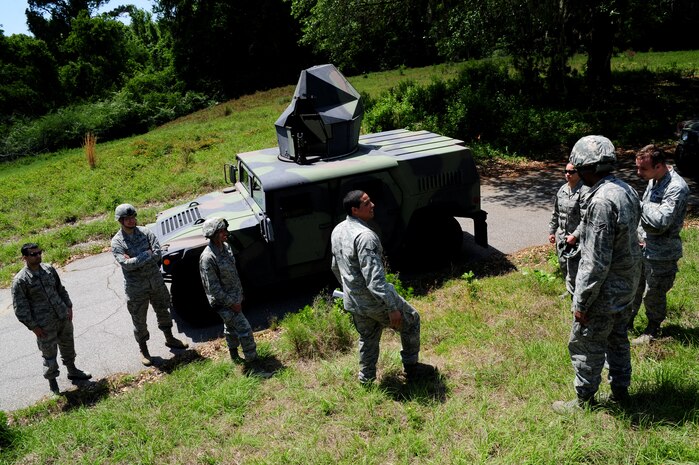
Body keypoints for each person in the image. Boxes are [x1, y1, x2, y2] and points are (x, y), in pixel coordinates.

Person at [552, 136, 642, 413]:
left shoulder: (600, 201)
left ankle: (583, 401)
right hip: (627, 286)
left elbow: (595, 261)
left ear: (588, 168)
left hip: (605, 292)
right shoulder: (625, 189)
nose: (577, 173)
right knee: (618, 339)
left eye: (578, 168)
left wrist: (581, 302)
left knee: (585, 344)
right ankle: (620, 391)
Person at [330, 190, 426, 384]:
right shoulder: (365, 237)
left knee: (368, 336)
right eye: (367, 203)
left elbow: (335, 266)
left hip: (354, 301)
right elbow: (375, 279)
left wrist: (349, 289)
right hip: (375, 301)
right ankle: (412, 369)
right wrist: (392, 307)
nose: (373, 205)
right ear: (355, 210)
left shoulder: (338, 230)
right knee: (412, 321)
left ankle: (366, 379)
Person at [111, 203, 188, 366]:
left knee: (164, 311)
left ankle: (170, 338)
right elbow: (126, 265)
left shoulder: (146, 232)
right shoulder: (117, 242)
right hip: (136, 288)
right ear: (120, 221)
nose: (132, 221)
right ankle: (144, 350)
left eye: (133, 217)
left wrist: (136, 258)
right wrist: (146, 254)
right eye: (128, 219)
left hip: (156, 282)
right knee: (139, 320)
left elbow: (158, 254)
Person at [12, 243, 92, 394]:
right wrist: (33, 327)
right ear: (24, 257)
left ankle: (73, 370)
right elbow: (20, 309)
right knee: (49, 355)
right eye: (33, 254)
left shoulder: (49, 269)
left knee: (68, 346)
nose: (37, 256)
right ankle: (53, 383)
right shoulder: (20, 280)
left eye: (39, 252)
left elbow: (60, 289)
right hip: (43, 325)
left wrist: (68, 306)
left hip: (62, 316)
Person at [629, 144, 690, 345]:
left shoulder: (676, 188)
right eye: (637, 168)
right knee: (635, 287)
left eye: (643, 169)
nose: (639, 173)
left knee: (653, 293)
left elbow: (660, 223)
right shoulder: (654, 180)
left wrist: (640, 204)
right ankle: (627, 322)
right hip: (643, 247)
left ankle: (653, 329)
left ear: (659, 166)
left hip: (661, 253)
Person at [199, 217, 270, 376]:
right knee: (245, 330)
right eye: (221, 231)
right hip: (224, 303)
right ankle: (254, 367)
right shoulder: (208, 258)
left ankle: (233, 355)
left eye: (225, 230)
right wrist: (232, 303)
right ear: (213, 234)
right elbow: (214, 289)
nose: (225, 233)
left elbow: (232, 273)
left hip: (234, 297)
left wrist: (239, 294)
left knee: (230, 327)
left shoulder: (225, 247)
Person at [548, 162, 589, 295]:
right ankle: (570, 290)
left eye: (572, 172)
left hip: (576, 238)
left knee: (575, 267)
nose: (568, 174)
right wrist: (552, 231)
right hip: (562, 236)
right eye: (566, 171)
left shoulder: (584, 191)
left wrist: (576, 235)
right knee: (562, 263)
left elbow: (586, 219)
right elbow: (556, 212)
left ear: (579, 173)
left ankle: (576, 294)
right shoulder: (562, 190)